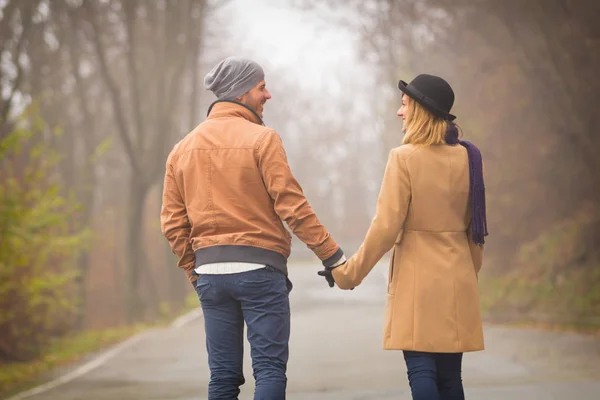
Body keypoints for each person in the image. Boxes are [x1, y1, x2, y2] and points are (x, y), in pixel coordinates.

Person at [160, 56, 346, 400]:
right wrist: (332, 255)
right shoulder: (263, 139)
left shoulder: (181, 150)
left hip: (211, 274)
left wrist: (195, 271)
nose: (268, 95)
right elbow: (292, 206)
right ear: (241, 92)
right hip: (260, 270)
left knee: (222, 377)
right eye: (262, 87)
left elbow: (172, 223)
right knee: (270, 371)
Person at [320, 74, 487, 400]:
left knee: (421, 369)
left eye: (405, 104)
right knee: (451, 377)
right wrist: (469, 273)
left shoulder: (404, 157)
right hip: (458, 280)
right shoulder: (468, 158)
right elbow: (476, 229)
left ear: (421, 110)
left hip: (417, 280)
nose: (399, 112)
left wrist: (348, 273)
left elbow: (385, 228)